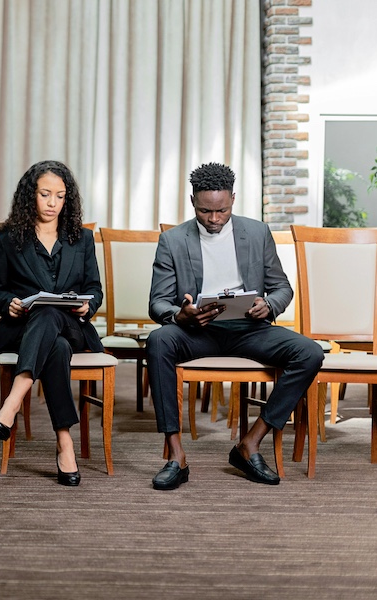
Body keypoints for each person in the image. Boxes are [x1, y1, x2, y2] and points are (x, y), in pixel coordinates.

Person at [146, 162, 323, 490]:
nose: (214, 219)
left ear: (233, 200)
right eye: (205, 211)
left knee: (309, 352)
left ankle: (250, 443)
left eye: (222, 211)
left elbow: (283, 288)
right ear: (192, 202)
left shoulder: (257, 233)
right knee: (158, 341)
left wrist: (267, 305)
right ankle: (175, 455)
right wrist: (179, 315)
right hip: (197, 332)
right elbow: (157, 302)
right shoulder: (172, 240)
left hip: (249, 329)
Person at [0, 160, 104, 486]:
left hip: (73, 326)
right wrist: (5, 303)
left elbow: (95, 290)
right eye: (45, 194)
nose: (52, 203)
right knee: (56, 345)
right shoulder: (9, 238)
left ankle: (12, 402)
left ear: (68, 199)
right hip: (24, 329)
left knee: (51, 313)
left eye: (60, 196)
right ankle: (65, 442)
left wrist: (86, 305)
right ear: (30, 196)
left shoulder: (82, 238)